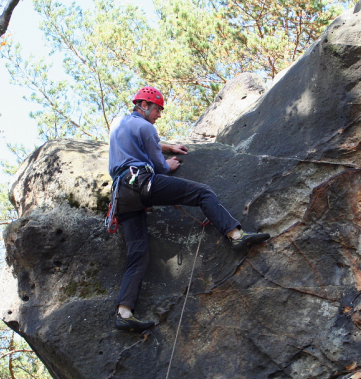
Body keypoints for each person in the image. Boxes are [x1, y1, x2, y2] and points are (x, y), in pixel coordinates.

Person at [108, 86, 270, 332]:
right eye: (157, 110)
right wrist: (169, 163)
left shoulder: (118, 123)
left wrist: (168, 146)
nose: (159, 115)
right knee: (202, 192)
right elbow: (160, 167)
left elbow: (140, 144)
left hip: (122, 194)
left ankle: (124, 312)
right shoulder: (146, 127)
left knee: (138, 253)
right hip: (142, 183)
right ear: (144, 105)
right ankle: (235, 235)